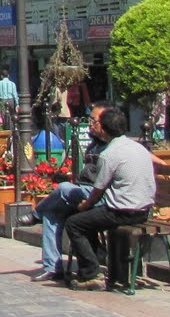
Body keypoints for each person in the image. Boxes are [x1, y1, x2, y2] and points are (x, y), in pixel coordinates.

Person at [64, 106, 155, 291]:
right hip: (144, 210)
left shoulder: (109, 154)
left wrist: (84, 205)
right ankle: (98, 262)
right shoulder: (139, 148)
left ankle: (91, 272)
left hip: (121, 212)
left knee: (74, 223)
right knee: (86, 221)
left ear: (103, 130)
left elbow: (98, 189)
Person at [23, 105, 109, 281]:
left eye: (94, 121)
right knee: (52, 214)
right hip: (84, 192)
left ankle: (35, 214)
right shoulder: (94, 145)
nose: (90, 125)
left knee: (63, 188)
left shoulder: (113, 147)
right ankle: (52, 267)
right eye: (90, 120)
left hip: (100, 197)